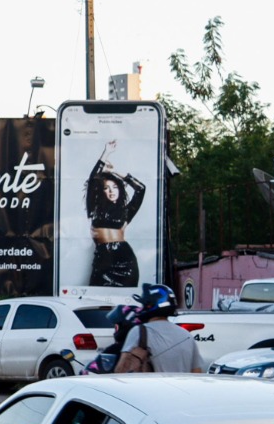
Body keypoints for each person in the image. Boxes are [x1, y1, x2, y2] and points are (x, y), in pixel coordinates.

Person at [86, 140, 146, 287]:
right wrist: (106, 152)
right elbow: (93, 180)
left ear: (120, 189)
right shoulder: (94, 207)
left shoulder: (126, 211)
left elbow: (141, 189)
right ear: (102, 191)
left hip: (125, 262)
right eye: (107, 188)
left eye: (115, 187)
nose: (112, 191)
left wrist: (115, 171)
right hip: (103, 261)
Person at [115, 284, 202, 374]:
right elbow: (197, 373)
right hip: (181, 387)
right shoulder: (187, 336)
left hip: (151, 387)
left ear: (149, 305)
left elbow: (121, 370)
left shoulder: (139, 332)